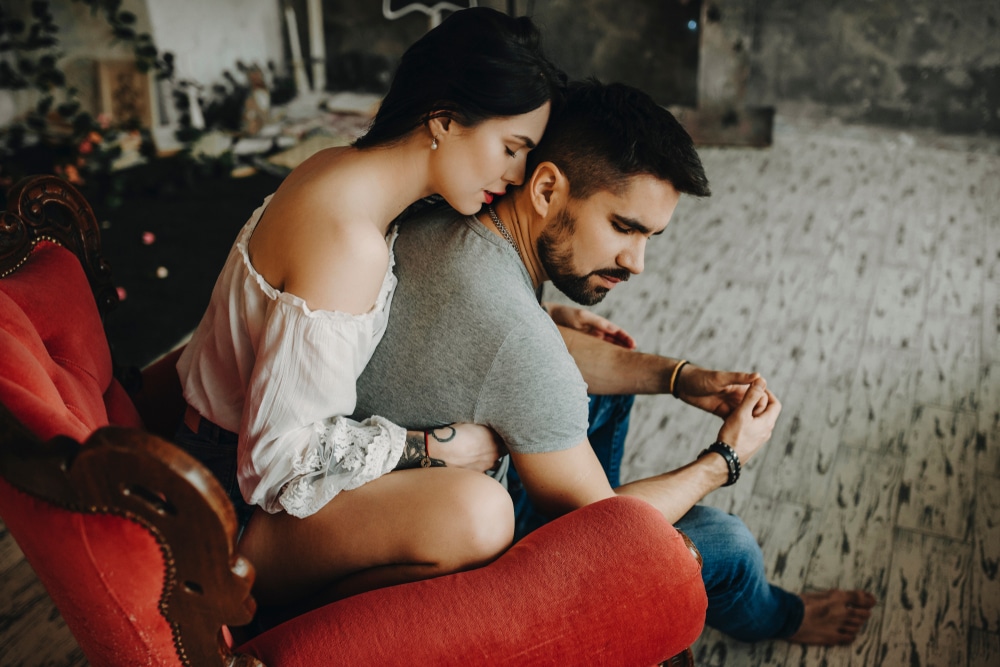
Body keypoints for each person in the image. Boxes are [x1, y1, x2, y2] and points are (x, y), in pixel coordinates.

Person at [352, 79, 878, 646]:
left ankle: (574, 487)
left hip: (394, 507)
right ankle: (783, 619)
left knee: (606, 384)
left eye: (651, 236)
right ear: (548, 187)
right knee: (725, 542)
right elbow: (608, 528)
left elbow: (519, 359)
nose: (637, 262)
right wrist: (722, 459)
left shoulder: (446, 213)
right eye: (623, 228)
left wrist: (675, 377)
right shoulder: (519, 341)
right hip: (449, 572)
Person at [173, 7, 565, 608]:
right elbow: (273, 461)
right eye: (511, 149)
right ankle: (284, 631)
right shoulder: (348, 241)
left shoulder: (335, 165)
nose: (516, 176)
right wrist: (433, 447)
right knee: (479, 513)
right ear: (443, 119)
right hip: (228, 509)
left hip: (207, 453)